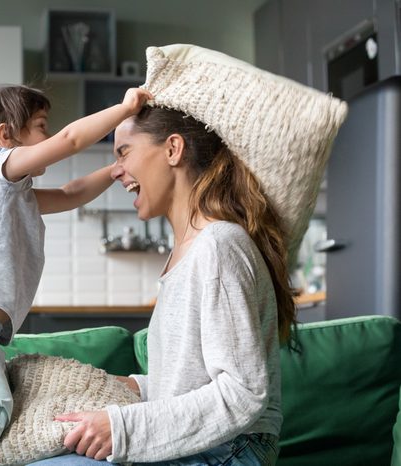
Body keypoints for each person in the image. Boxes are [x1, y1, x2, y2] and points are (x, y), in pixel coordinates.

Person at [29, 43, 346, 466]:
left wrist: (121, 427)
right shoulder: (193, 251)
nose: (116, 171)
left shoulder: (218, 246)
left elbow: (242, 394)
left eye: (123, 152)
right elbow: (189, 386)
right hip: (213, 445)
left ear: (173, 149)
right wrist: (126, 389)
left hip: (231, 451)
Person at [0, 83, 152, 466]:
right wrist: (124, 109)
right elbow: (72, 139)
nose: (48, 135)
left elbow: (73, 193)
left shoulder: (15, 192)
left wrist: (115, 169)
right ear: (6, 135)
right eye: (41, 125)